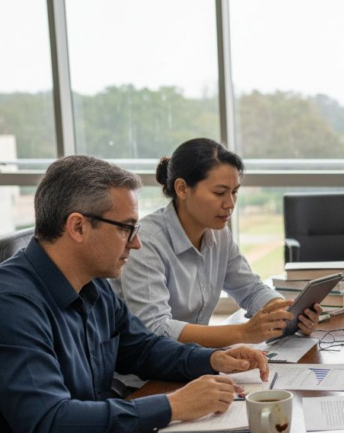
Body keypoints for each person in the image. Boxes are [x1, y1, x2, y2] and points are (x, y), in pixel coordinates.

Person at [0, 155, 268, 433]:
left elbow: (141, 348)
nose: (136, 243)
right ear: (78, 227)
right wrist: (174, 406)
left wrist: (215, 359)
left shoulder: (90, 284)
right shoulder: (4, 307)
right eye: (127, 228)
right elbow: (48, 424)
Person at [112, 138, 322, 351]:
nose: (230, 204)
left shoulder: (218, 234)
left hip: (191, 363)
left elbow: (250, 289)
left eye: (235, 192)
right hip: (145, 378)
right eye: (220, 193)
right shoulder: (147, 242)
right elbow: (156, 328)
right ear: (182, 189)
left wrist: (287, 314)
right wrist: (244, 332)